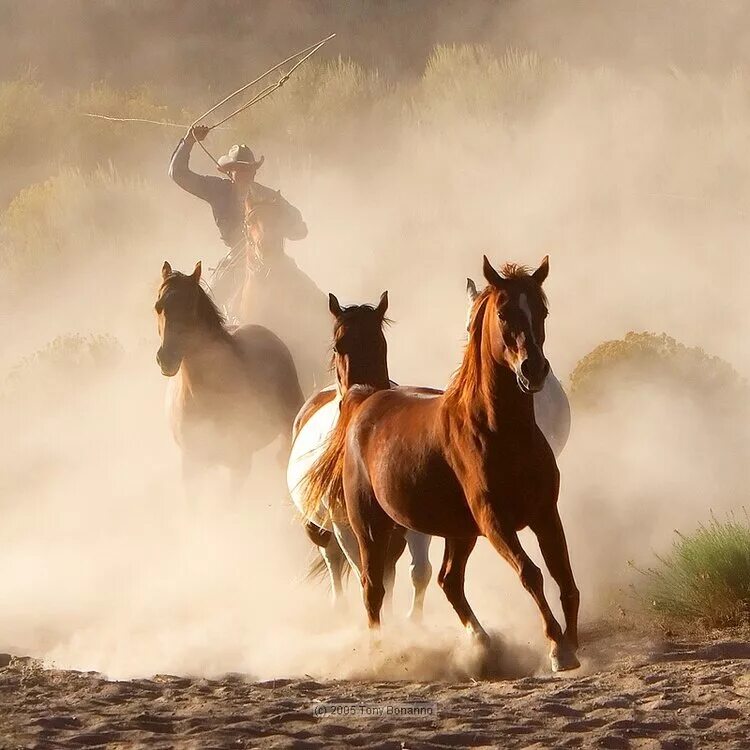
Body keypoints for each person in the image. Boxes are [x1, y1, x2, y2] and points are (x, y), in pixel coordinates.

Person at [168, 125, 308, 314]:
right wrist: (190, 140)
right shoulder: (217, 190)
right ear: (229, 172)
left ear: (254, 172)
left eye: (246, 169)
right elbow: (177, 174)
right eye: (237, 169)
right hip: (234, 261)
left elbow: (299, 229)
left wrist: (286, 227)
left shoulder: (269, 197)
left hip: (273, 260)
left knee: (310, 299)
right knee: (204, 307)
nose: (242, 174)